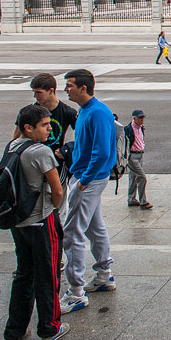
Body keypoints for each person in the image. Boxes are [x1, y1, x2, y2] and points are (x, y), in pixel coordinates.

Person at [3, 104, 69, 340]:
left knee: (24, 273)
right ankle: (50, 327)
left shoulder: (13, 146)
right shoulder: (40, 151)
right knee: (48, 274)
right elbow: (57, 190)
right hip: (41, 220)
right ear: (28, 128)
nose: (49, 129)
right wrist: (53, 207)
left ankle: (14, 331)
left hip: (18, 222)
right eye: (44, 125)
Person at [60, 69, 116, 314]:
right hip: (88, 177)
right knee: (95, 227)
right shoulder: (86, 111)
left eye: (70, 85)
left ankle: (75, 293)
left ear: (84, 88)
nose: (66, 89)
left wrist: (83, 181)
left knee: (72, 234)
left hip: (87, 179)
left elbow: (102, 152)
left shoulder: (97, 112)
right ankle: (104, 275)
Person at [13, 73, 79, 165]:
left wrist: (69, 148)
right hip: (31, 160)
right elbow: (16, 139)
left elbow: (84, 135)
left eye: (39, 92)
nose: (35, 96)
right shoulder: (27, 112)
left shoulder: (68, 112)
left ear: (51, 91)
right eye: (34, 92)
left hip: (55, 161)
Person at [123, 110, 152, 209]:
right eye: (140, 117)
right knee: (142, 177)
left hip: (140, 155)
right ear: (134, 118)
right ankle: (143, 201)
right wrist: (127, 156)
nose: (142, 119)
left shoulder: (141, 128)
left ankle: (131, 199)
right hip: (132, 156)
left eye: (143, 117)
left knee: (133, 177)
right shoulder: (128, 129)